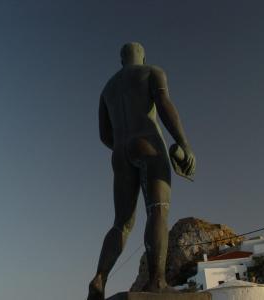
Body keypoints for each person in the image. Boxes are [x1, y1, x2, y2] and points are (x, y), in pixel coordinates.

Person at [87, 42, 196, 300]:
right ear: (142, 56)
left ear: (121, 60)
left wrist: (124, 146)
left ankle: (99, 279)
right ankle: (157, 282)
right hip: (148, 142)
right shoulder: (152, 72)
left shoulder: (108, 89)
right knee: (157, 209)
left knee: (121, 224)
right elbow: (165, 106)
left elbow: (104, 135)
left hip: (120, 151)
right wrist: (184, 143)